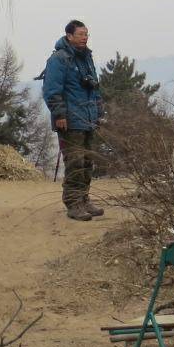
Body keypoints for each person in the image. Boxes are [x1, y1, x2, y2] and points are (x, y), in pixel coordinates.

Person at [42, 19, 105, 221]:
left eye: (86, 34)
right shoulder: (59, 59)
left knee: (87, 162)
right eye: (80, 34)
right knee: (75, 162)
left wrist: (98, 110)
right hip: (70, 120)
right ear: (69, 36)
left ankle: (84, 199)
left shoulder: (86, 58)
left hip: (88, 118)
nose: (84, 37)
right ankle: (73, 203)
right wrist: (59, 114)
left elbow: (93, 87)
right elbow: (52, 90)